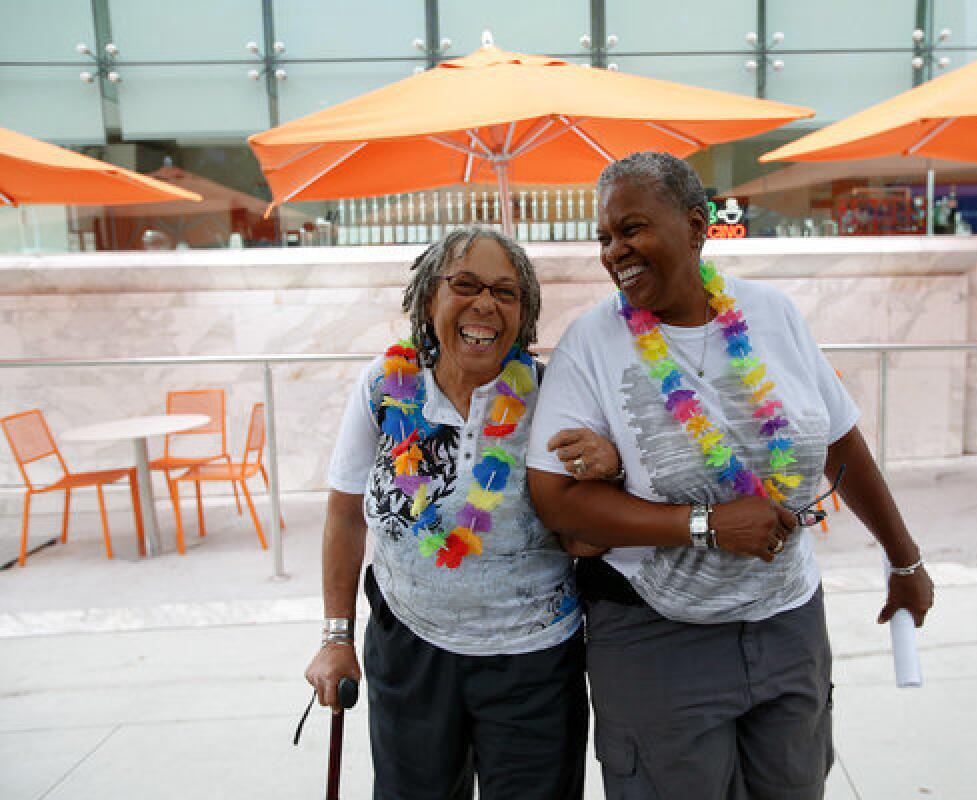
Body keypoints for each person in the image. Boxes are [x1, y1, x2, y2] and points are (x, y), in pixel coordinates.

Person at [527, 152, 935, 800]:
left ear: (696, 225)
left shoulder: (772, 314)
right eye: (605, 236)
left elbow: (839, 441)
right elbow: (555, 500)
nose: (614, 251)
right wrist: (704, 526)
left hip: (788, 623)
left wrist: (904, 560)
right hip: (659, 638)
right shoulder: (592, 343)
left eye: (631, 228)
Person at [305, 227, 621, 800]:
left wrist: (609, 471)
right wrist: (335, 637)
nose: (485, 305)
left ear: (523, 316)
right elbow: (346, 515)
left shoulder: (554, 395)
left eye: (506, 293)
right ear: (430, 298)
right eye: (466, 285)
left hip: (532, 662)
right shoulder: (384, 386)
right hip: (410, 647)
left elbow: (586, 543)